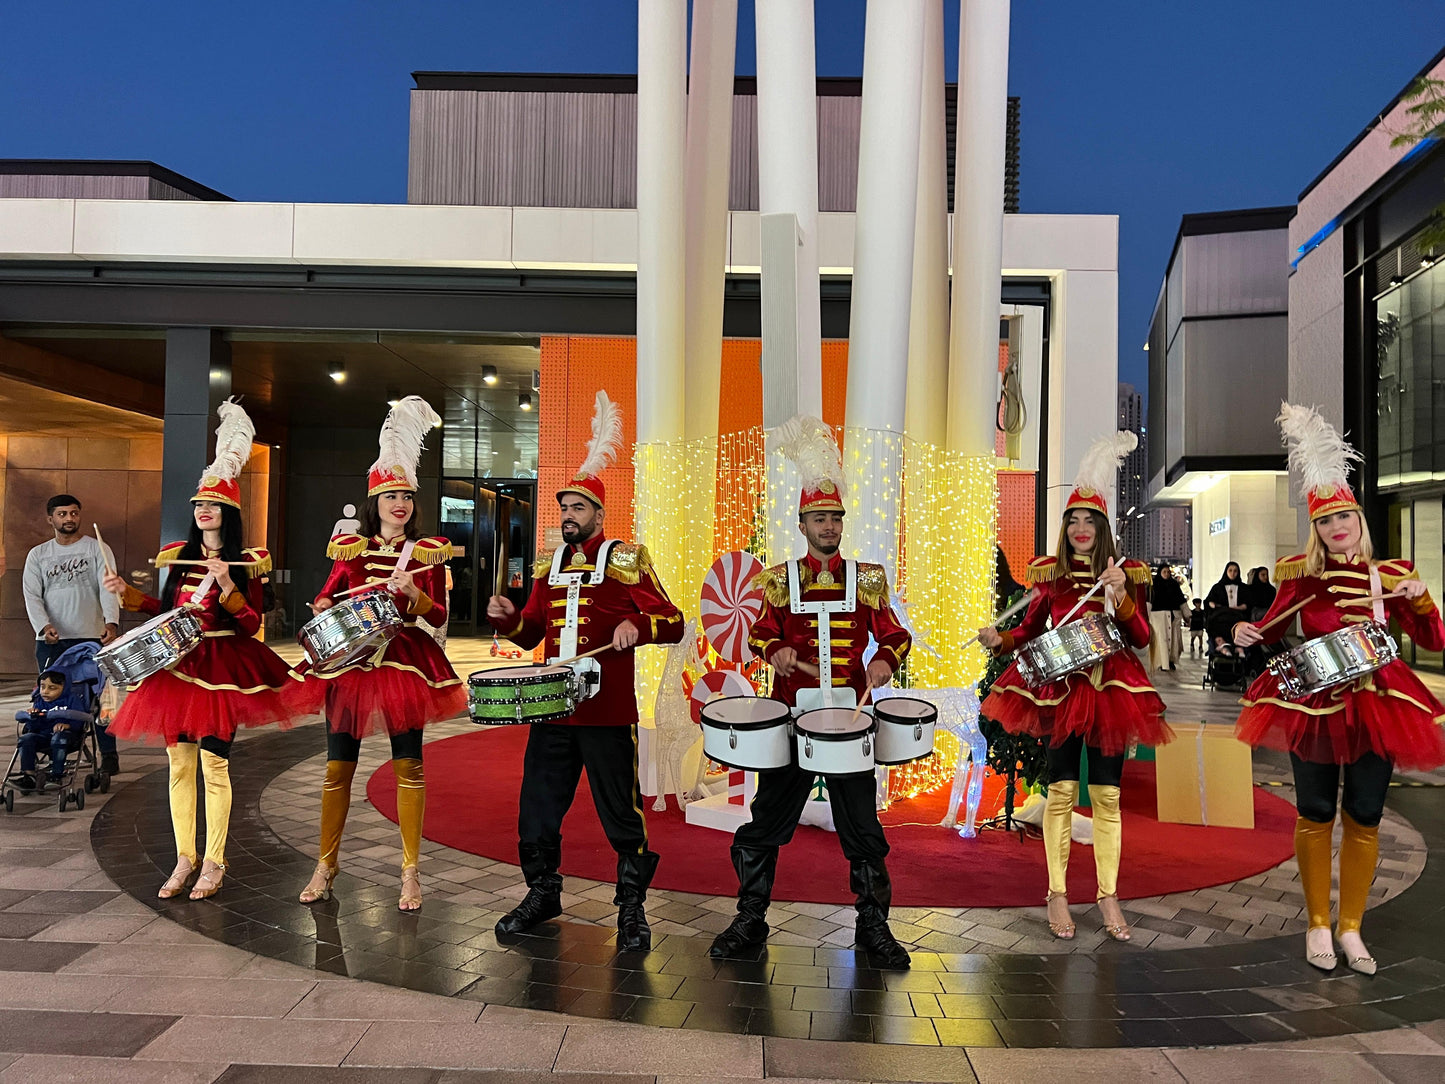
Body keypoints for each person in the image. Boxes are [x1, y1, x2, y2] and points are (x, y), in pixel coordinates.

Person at [1234, 404, 1445, 975]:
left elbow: (1434, 638)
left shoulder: (1392, 574)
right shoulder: (1302, 577)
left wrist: (1421, 599)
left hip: (1380, 704)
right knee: (1316, 809)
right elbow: (1270, 624)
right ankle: (1318, 924)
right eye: (1325, 522)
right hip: (1317, 705)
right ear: (1316, 529)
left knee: (1366, 812)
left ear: (1358, 518)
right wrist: (1242, 628)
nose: (1335, 528)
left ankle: (1352, 926)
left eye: (1343, 517)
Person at [708, 416, 914, 969]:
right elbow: (758, 631)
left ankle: (873, 928)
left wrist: (885, 662)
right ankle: (750, 919)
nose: (828, 526)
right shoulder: (778, 580)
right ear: (802, 523)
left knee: (862, 828)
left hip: (848, 725)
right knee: (766, 821)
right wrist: (769, 647)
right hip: (790, 723)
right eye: (819, 518)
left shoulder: (867, 578)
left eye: (834, 518)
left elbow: (895, 633)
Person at [486, 391, 684, 951]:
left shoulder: (626, 559)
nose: (569, 516)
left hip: (606, 715)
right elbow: (532, 635)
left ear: (598, 512)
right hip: (551, 710)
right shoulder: (547, 568)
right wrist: (507, 621)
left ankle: (631, 910)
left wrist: (637, 630)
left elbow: (672, 621)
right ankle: (543, 894)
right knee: (536, 813)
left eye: (578, 508)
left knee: (622, 815)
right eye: (564, 507)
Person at [103, 400, 313, 901]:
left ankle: (215, 862)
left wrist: (229, 587)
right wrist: (128, 596)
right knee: (178, 766)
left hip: (223, 668)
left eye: (212, 506)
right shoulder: (179, 556)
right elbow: (166, 610)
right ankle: (183, 859)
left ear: (229, 513)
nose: (203, 512)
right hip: (178, 670)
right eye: (199, 505)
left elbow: (250, 623)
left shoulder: (249, 560)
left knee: (214, 766)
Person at [978, 430, 1170, 944]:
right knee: (1060, 791)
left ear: (1103, 527)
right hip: (1061, 695)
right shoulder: (1051, 578)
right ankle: (1057, 893)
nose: (1081, 528)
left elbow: (1143, 637)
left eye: (1090, 520)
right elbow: (1029, 629)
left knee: (1107, 796)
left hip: (1111, 695)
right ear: (1064, 528)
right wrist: (1001, 638)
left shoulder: (1127, 573)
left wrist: (1123, 598)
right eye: (1073, 520)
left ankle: (1108, 894)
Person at [297, 397, 466, 913]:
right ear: (375, 501)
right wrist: (324, 604)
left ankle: (410, 871)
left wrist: (415, 597)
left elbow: (436, 618)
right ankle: (326, 863)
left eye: (407, 497)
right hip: (349, 667)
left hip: (404, 664)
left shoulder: (428, 552)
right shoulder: (350, 549)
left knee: (409, 766)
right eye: (391, 496)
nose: (400, 505)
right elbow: (327, 594)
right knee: (336, 769)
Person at [22, 495, 121, 774]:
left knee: (102, 698)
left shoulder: (97, 548)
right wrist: (43, 626)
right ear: (50, 519)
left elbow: (108, 587)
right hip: (52, 640)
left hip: (92, 637)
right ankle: (50, 745)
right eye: (62, 514)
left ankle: (109, 754)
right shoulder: (38, 555)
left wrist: (111, 623)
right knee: (51, 695)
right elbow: (32, 596)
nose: (69, 519)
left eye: (74, 513)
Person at [12, 670, 89, 791]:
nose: (45, 691)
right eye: (42, 687)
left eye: (52, 688)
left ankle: (56, 775)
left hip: (67, 737)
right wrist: (32, 717)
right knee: (26, 739)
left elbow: (80, 718)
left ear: (64, 688)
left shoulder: (72, 700)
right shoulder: (40, 702)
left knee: (59, 738)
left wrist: (67, 725)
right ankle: (29, 775)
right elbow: (34, 728)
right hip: (44, 736)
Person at [1149, 565, 1186, 672]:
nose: (1166, 574)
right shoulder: (1155, 585)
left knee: (1173, 640)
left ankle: (1170, 661)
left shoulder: (1174, 585)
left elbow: (1180, 599)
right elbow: (1150, 600)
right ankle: (1162, 662)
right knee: (1161, 640)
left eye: (1168, 572)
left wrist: (1187, 616)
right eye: (1164, 572)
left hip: (1173, 615)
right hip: (1158, 616)